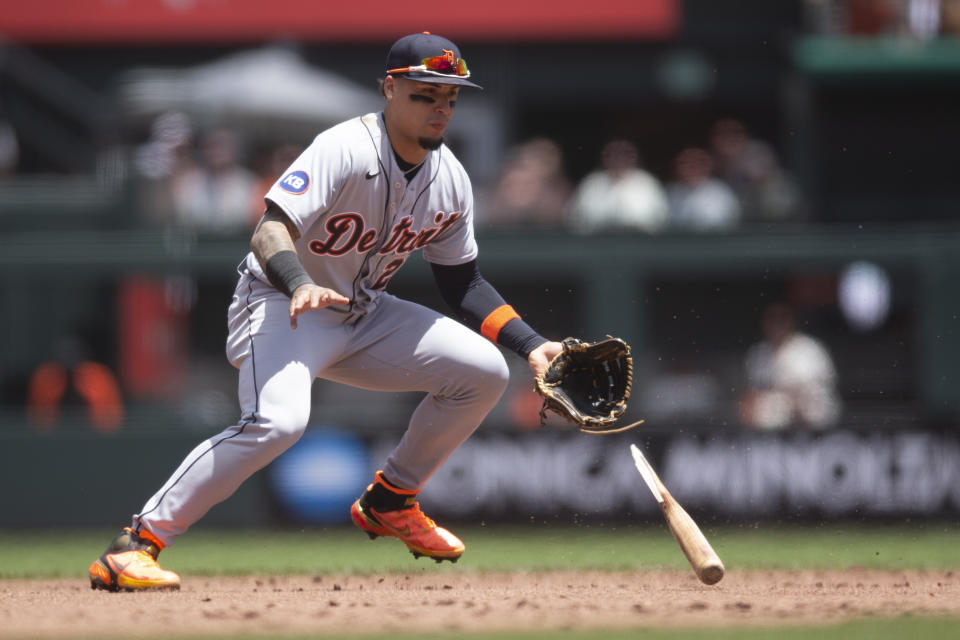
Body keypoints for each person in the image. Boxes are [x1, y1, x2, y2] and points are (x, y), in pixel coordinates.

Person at [88, 32, 563, 592]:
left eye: (450, 97)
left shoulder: (451, 180)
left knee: (483, 372)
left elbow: (461, 282)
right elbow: (269, 229)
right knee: (278, 424)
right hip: (280, 303)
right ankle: (134, 545)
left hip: (363, 312)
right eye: (424, 93)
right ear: (390, 89)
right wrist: (297, 285)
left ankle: (392, 498)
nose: (440, 107)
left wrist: (533, 345)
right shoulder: (345, 147)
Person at [739, 302, 842, 431]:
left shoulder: (809, 348)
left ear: (791, 322)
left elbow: (821, 386)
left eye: (781, 319)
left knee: (811, 405)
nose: (777, 325)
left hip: (812, 406)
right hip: (779, 408)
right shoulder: (759, 353)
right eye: (772, 320)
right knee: (760, 409)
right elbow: (752, 393)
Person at [567, 138, 668, 234]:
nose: (618, 159)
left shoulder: (648, 182)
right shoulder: (592, 183)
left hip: (639, 242)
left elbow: (661, 219)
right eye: (612, 155)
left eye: (625, 155)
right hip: (599, 243)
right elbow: (576, 219)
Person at [665, 147, 742, 232]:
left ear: (708, 166)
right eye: (684, 164)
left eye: (697, 164)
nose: (691, 168)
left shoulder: (721, 193)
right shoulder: (671, 192)